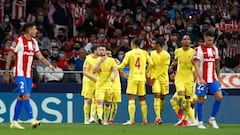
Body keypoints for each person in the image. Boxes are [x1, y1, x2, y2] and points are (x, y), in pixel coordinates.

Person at [3, 23, 55, 129]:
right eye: (35, 29)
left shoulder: (34, 42)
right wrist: (7, 72)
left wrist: (49, 65)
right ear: (29, 30)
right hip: (19, 73)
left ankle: (14, 122)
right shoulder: (19, 41)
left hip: (28, 74)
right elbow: (10, 56)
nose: (36, 31)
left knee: (21, 97)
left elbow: (40, 57)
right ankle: (32, 119)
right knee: (26, 96)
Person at [118, 38, 153, 125]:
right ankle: (145, 120)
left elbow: (123, 65)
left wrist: (116, 67)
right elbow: (151, 64)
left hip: (133, 77)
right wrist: (145, 72)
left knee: (131, 98)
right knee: (142, 98)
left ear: (133, 44)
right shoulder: (144, 53)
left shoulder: (129, 53)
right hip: (141, 77)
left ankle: (132, 120)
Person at [193, 31, 223, 129]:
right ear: (205, 38)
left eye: (212, 40)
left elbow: (217, 63)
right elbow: (196, 64)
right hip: (202, 79)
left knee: (219, 97)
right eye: (208, 40)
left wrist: (218, 76)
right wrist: (200, 78)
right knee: (200, 100)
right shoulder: (198, 49)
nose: (210, 42)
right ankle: (200, 122)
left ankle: (212, 119)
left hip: (213, 78)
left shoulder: (215, 49)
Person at [169, 35, 196, 126]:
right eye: (184, 39)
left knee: (187, 100)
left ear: (190, 42)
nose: (186, 41)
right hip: (179, 77)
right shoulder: (178, 51)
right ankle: (181, 116)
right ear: (181, 42)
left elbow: (196, 64)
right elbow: (176, 60)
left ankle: (185, 120)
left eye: (188, 39)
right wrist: (172, 66)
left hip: (189, 78)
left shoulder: (193, 52)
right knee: (180, 96)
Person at [93, 45, 118, 125]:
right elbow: (94, 71)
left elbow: (115, 70)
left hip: (109, 85)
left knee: (107, 103)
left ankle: (106, 119)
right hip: (100, 85)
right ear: (97, 51)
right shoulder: (96, 60)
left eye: (103, 50)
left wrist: (113, 77)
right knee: (99, 102)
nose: (101, 51)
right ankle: (100, 118)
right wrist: (100, 61)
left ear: (105, 51)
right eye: (99, 50)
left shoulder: (111, 60)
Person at [147, 38, 170, 125]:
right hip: (154, 78)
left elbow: (164, 69)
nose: (152, 45)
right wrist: (148, 76)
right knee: (157, 95)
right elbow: (150, 66)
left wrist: (154, 77)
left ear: (158, 45)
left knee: (162, 97)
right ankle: (158, 117)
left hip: (163, 78)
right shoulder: (152, 53)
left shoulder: (166, 55)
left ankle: (159, 115)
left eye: (153, 43)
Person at [82, 45, 99, 124]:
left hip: (98, 82)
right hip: (88, 82)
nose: (101, 51)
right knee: (88, 100)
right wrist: (94, 78)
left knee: (96, 99)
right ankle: (86, 119)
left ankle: (92, 117)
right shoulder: (88, 58)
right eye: (99, 49)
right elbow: (85, 72)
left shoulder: (100, 59)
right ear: (95, 51)